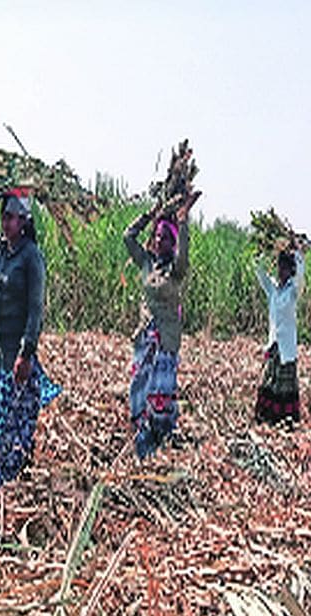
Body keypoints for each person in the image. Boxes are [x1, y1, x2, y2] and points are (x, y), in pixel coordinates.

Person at [0, 187, 60, 486]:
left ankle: (9, 484)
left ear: (24, 220)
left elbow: (36, 309)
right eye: (4, 216)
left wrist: (27, 353)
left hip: (16, 356)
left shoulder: (31, 257)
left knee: (12, 426)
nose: (6, 224)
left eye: (12, 218)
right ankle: (9, 464)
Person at [124, 193, 199, 458]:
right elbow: (127, 237)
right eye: (157, 236)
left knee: (160, 393)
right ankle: (140, 444)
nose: (160, 241)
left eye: (166, 238)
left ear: (172, 241)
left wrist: (183, 221)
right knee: (139, 389)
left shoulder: (175, 271)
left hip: (165, 341)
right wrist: (151, 214)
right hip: (145, 339)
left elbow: (185, 255)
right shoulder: (146, 262)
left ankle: (161, 444)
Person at [255, 244, 305, 426]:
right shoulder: (273, 290)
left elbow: (300, 278)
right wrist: (262, 252)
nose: (280, 271)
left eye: (284, 267)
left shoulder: (293, 291)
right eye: (279, 267)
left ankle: (285, 422)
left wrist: (298, 255)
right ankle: (267, 419)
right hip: (274, 344)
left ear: (290, 270)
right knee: (268, 382)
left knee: (285, 387)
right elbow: (260, 273)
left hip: (287, 347)